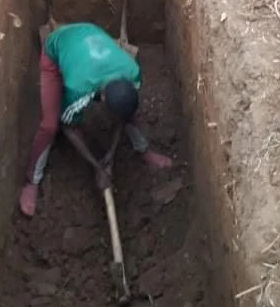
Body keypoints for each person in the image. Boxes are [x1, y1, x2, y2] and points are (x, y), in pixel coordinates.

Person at [19, 22, 172, 217]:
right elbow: (69, 127)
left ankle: (144, 149)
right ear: (103, 97)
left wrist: (111, 154)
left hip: (89, 35)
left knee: (129, 111)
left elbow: (124, 115)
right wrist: (97, 167)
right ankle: (32, 181)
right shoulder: (78, 88)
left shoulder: (132, 72)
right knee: (50, 125)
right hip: (58, 48)